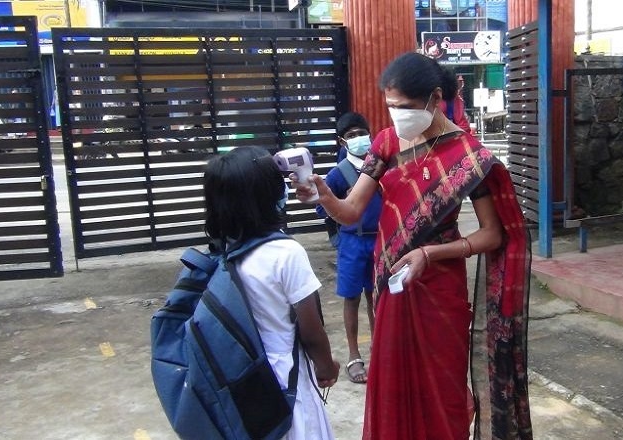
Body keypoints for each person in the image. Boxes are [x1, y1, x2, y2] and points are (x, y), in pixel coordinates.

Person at [293, 52, 532, 439]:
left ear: (435, 98)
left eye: (403, 106)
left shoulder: (470, 157)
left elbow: (493, 234)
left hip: (439, 289)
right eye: (390, 106)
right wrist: (322, 194)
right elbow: (351, 211)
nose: (396, 115)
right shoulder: (387, 144)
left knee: (444, 389)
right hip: (392, 286)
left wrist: (429, 253)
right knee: (394, 383)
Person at [203, 146, 340, 440]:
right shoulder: (285, 253)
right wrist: (327, 367)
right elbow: (311, 331)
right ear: (267, 197)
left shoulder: (221, 252)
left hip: (243, 378)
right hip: (286, 380)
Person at [316, 112, 381, 384]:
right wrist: (340, 236)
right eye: (352, 136)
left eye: (362, 133)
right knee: (352, 297)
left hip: (380, 240)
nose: (359, 139)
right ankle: (354, 356)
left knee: (376, 296)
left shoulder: (380, 165)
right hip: (353, 242)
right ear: (342, 141)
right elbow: (323, 206)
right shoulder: (338, 173)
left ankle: (378, 350)